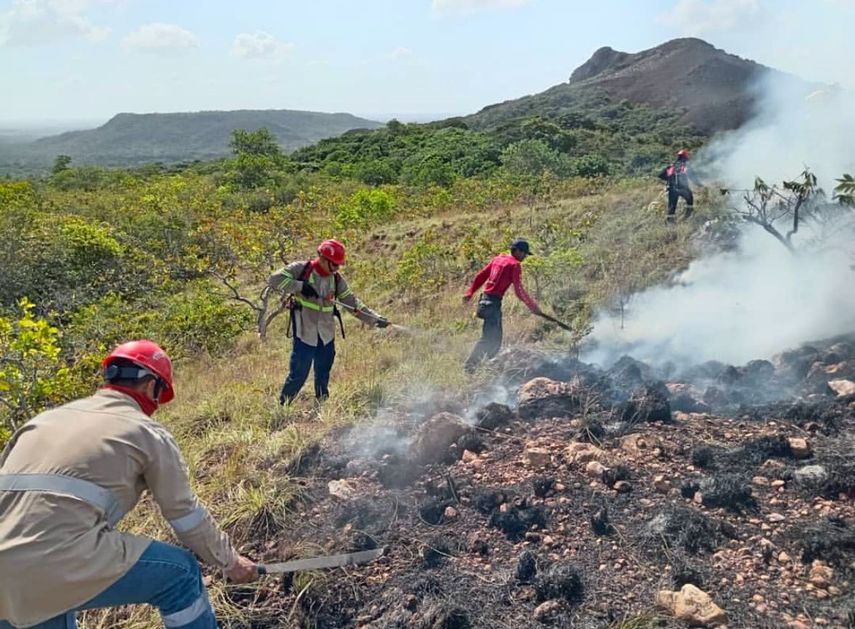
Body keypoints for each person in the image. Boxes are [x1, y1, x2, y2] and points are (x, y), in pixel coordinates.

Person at [0, 340, 258, 629]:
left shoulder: (40, 422)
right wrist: (230, 562)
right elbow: (185, 515)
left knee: (48, 600)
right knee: (181, 574)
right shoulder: (145, 431)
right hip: (56, 564)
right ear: (151, 387)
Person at [269, 239, 389, 405]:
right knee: (299, 372)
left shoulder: (337, 279)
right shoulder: (301, 269)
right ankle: (283, 405)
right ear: (323, 258)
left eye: (339, 265)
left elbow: (352, 302)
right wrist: (300, 287)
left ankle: (321, 404)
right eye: (334, 264)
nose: (337, 268)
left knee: (323, 370)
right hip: (305, 332)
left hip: (326, 333)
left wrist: (375, 319)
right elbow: (274, 279)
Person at [463, 239, 542, 372]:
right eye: (523, 253)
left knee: (490, 339)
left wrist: (470, 292)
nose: (524, 257)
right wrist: (532, 306)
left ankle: (479, 367)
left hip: (484, 302)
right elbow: (518, 290)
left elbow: (480, 276)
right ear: (516, 251)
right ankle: (471, 367)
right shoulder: (514, 265)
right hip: (493, 304)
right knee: (492, 340)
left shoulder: (499, 259)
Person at [658, 148, 700, 220]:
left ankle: (670, 221)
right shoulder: (685, 166)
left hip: (672, 189)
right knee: (690, 198)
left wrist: (669, 180)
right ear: (686, 157)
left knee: (671, 206)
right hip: (683, 188)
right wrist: (700, 184)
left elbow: (660, 175)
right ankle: (688, 214)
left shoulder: (672, 166)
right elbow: (693, 177)